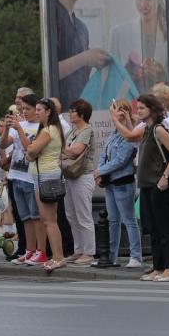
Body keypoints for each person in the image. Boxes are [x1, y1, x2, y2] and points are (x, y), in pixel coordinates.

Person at [134, 94, 169, 281]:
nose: (138, 111)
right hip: (146, 184)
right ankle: (158, 266)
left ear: (152, 109)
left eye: (141, 108)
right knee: (152, 227)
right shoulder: (146, 129)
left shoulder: (159, 130)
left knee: (165, 227)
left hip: (158, 184)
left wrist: (165, 176)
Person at [55, 0, 110, 106]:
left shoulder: (82, 28)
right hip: (58, 114)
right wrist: (85, 58)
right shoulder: (51, 13)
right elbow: (47, 71)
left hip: (78, 114)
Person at [20, 98, 67, 273]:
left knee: (49, 221)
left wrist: (31, 152)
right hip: (44, 175)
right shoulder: (51, 129)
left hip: (46, 176)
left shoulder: (48, 130)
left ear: (48, 112)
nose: (37, 112)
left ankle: (58, 257)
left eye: (40, 109)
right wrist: (31, 153)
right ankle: (57, 256)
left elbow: (31, 151)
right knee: (49, 220)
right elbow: (31, 152)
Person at [108, 0, 169, 92]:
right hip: (131, 104)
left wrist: (162, 75)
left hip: (162, 101)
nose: (142, 4)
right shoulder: (118, 33)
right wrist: (132, 74)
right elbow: (112, 76)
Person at [94, 99, 141, 268]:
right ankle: (110, 256)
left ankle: (135, 256)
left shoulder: (130, 133)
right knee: (112, 220)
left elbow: (121, 160)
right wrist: (99, 171)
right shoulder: (114, 133)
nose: (119, 112)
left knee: (128, 220)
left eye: (123, 109)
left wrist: (101, 171)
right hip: (110, 183)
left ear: (128, 112)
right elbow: (104, 155)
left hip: (123, 182)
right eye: (116, 109)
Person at [2, 95, 42, 265]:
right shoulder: (20, 125)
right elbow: (3, 145)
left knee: (36, 217)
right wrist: (6, 128)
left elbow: (30, 150)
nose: (24, 112)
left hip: (31, 177)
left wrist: (18, 129)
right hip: (16, 175)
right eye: (22, 109)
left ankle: (41, 251)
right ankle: (29, 250)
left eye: (28, 109)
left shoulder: (41, 127)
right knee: (24, 217)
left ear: (36, 109)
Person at [62, 99, 97, 265]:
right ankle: (79, 250)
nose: (70, 113)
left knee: (83, 215)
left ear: (82, 114)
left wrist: (60, 149)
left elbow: (75, 151)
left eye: (72, 111)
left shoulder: (87, 131)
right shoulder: (72, 132)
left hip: (83, 176)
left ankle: (89, 252)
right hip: (69, 176)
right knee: (71, 215)